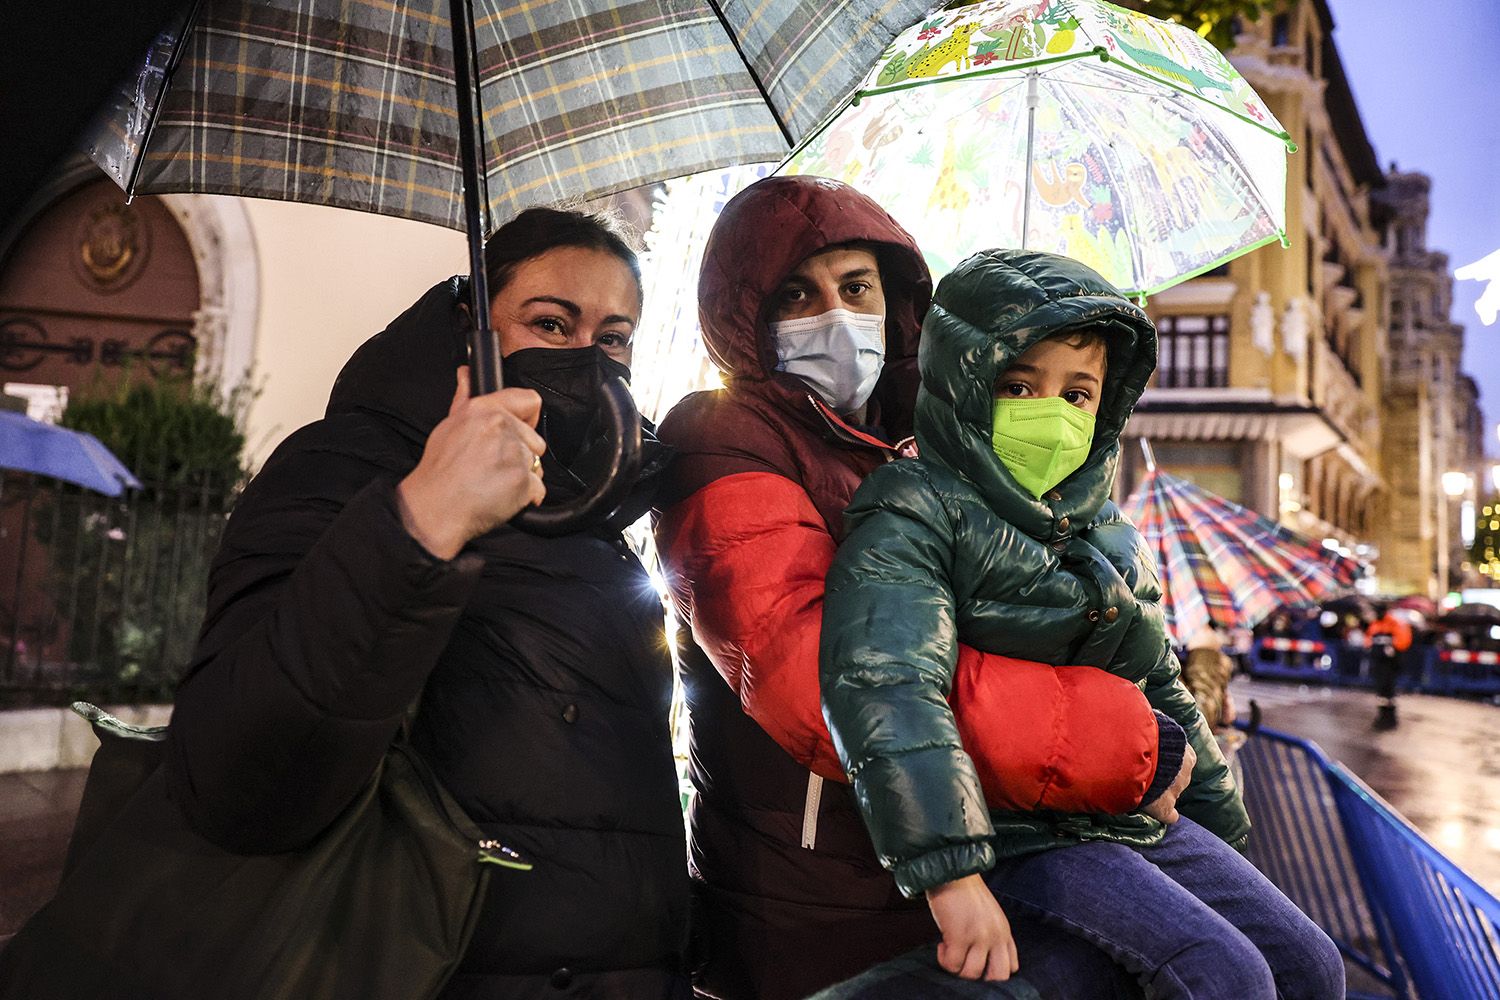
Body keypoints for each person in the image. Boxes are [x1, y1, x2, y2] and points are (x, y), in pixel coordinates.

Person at [653, 176, 1187, 999]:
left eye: (856, 287)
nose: (836, 314)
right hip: (808, 907)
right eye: (798, 293)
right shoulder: (719, 436)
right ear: (744, 314)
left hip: (969, 877)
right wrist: (1115, 740)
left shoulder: (943, 435)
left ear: (899, 303)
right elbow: (815, 678)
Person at [164, 208, 690, 997]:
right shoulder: (339, 465)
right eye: (551, 323)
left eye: (613, 338)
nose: (587, 360)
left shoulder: (598, 518)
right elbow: (235, 775)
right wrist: (421, 521)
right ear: (468, 326)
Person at [820, 249, 1345, 999]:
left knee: (1308, 962)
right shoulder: (914, 508)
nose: (1051, 413)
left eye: (1078, 393)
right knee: (1221, 972)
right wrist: (951, 875)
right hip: (1015, 834)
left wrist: (1221, 835)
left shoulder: (1108, 533)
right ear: (966, 383)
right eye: (1018, 385)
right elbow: (887, 683)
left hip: (1122, 815)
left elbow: (1158, 680)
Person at [1367, 605, 1413, 730]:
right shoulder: (1375, 625)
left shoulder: (1395, 624)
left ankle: (1390, 718)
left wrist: (1393, 648)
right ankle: (1383, 716)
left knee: (1389, 691)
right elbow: (1369, 641)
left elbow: (1403, 641)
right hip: (1378, 664)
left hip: (1390, 665)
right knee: (1381, 693)